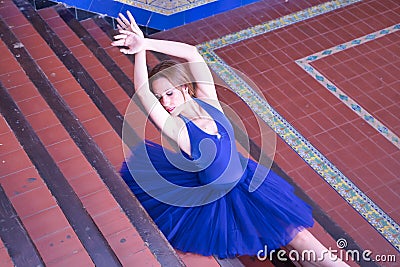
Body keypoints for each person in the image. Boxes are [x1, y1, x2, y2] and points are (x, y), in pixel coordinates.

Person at [112, 11, 350, 266]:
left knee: (296, 236)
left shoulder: (209, 100)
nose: (165, 103)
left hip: (246, 178)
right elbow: (142, 93)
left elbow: (192, 53)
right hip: (221, 195)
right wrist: (138, 54)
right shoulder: (179, 130)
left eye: (168, 94)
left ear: (183, 86)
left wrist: (146, 43)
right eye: (161, 98)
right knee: (298, 238)